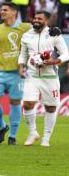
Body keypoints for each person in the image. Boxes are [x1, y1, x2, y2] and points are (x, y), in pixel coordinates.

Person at [18, 11, 69, 147]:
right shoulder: (26, 35)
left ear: (46, 21)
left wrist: (54, 61)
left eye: (40, 18)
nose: (36, 20)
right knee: (28, 104)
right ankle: (32, 132)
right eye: (35, 18)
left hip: (50, 76)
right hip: (32, 75)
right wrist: (21, 66)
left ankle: (46, 138)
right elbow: (23, 54)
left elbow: (66, 53)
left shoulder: (54, 34)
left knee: (51, 107)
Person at [0, 2, 31, 145]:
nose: (2, 12)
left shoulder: (26, 28)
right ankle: (2, 126)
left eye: (5, 10)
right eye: (1, 9)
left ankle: (12, 136)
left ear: (14, 12)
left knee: (15, 102)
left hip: (17, 73)